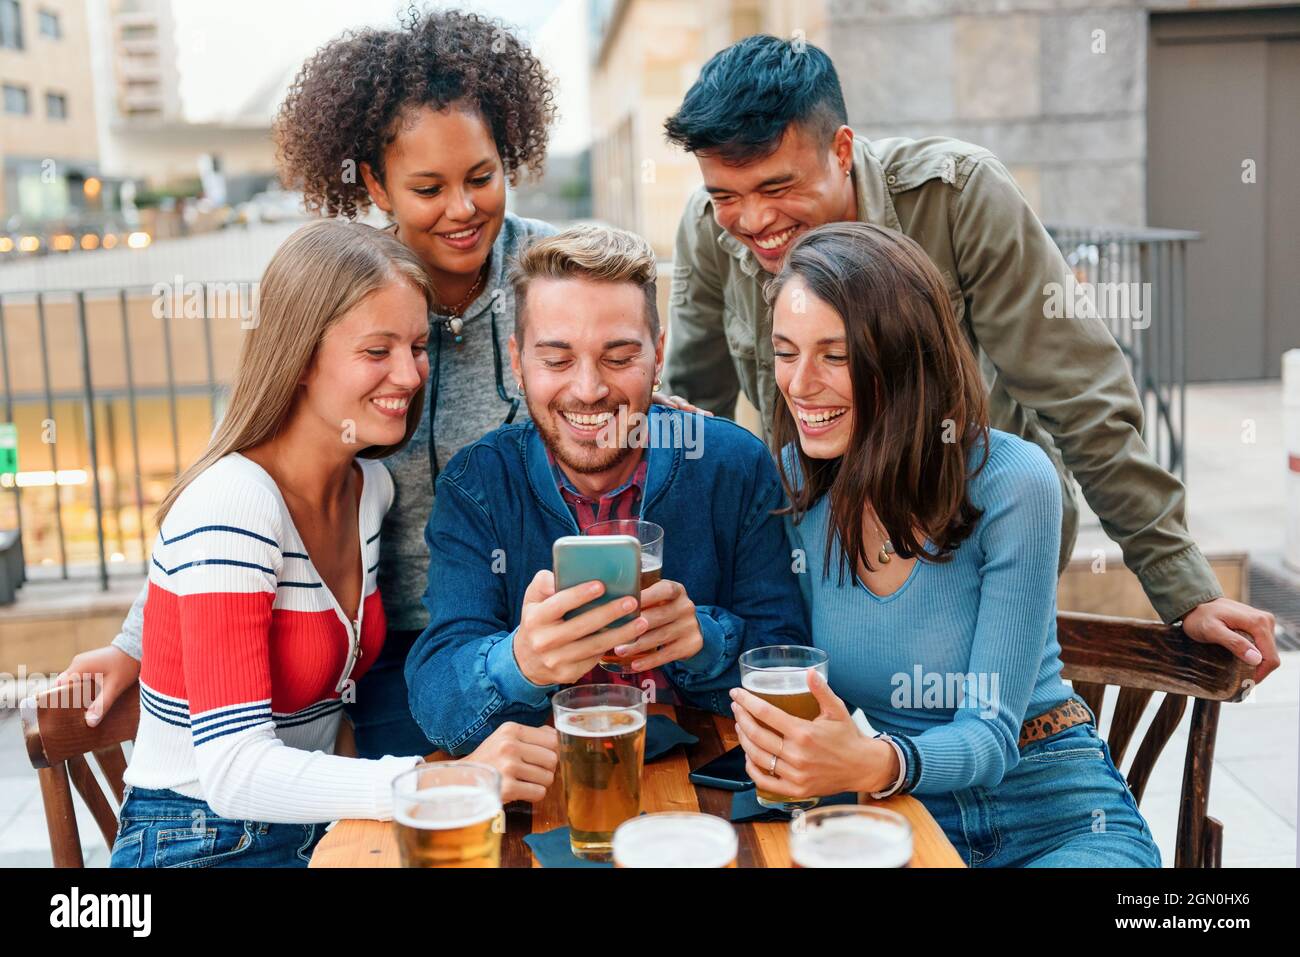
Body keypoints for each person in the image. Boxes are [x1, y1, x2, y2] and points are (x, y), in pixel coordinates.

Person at [54, 11, 697, 769]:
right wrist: (135, 640)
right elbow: (253, 468)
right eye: (428, 187)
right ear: (374, 183)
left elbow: (620, 390)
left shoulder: (550, 277)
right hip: (399, 654)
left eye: (481, 177)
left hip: (555, 634)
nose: (462, 209)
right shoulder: (357, 295)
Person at [662, 34, 1277, 683]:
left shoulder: (959, 196)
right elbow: (695, 421)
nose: (753, 220)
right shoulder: (708, 229)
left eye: (776, 185)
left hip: (970, 540)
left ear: (841, 150)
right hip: (820, 555)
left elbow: (1082, 394)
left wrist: (1184, 585)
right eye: (725, 194)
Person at [109, 221, 556, 868]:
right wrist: (433, 783)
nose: (408, 374)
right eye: (377, 351)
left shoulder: (368, 488)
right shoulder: (234, 502)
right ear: (299, 358)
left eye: (417, 344)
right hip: (201, 839)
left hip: (314, 830)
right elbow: (233, 771)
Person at [729, 221, 1162, 867]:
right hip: (897, 814)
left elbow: (989, 736)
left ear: (905, 359)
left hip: (1052, 805)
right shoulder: (794, 486)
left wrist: (869, 760)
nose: (800, 382)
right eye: (786, 351)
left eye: (836, 355)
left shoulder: (1014, 483)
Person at [404, 224, 808, 753]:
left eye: (619, 358)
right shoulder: (477, 485)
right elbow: (436, 705)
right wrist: (521, 660)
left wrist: (704, 643)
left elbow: (790, 663)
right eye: (556, 360)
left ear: (658, 355)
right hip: (548, 791)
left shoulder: (732, 466)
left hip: (711, 789)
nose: (589, 390)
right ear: (517, 362)